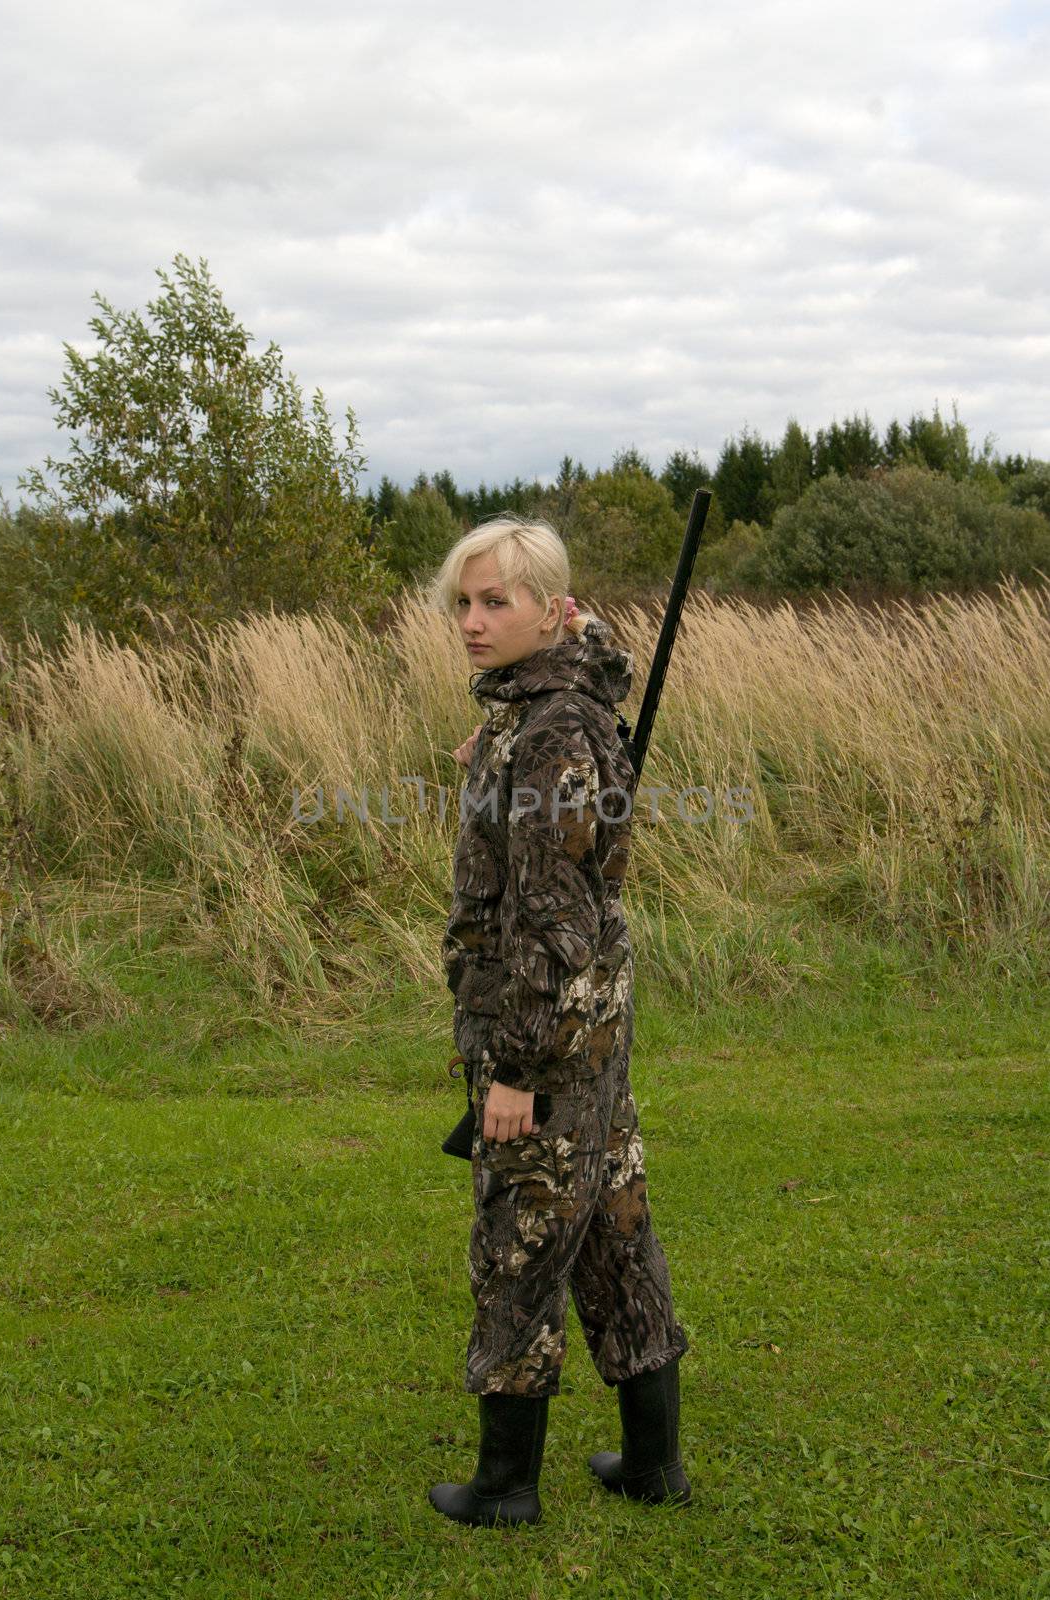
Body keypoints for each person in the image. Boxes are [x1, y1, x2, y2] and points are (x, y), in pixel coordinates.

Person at [424, 514, 691, 1527]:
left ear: (547, 609)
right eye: (465, 600)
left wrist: (513, 1072)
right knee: (612, 1229)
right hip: (594, 1028)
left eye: (496, 601)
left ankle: (503, 1488)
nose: (473, 620)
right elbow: (584, 719)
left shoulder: (548, 733)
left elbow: (551, 916)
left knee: (520, 1241)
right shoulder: (552, 707)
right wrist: (491, 756)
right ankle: (654, 1462)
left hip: (547, 1032)